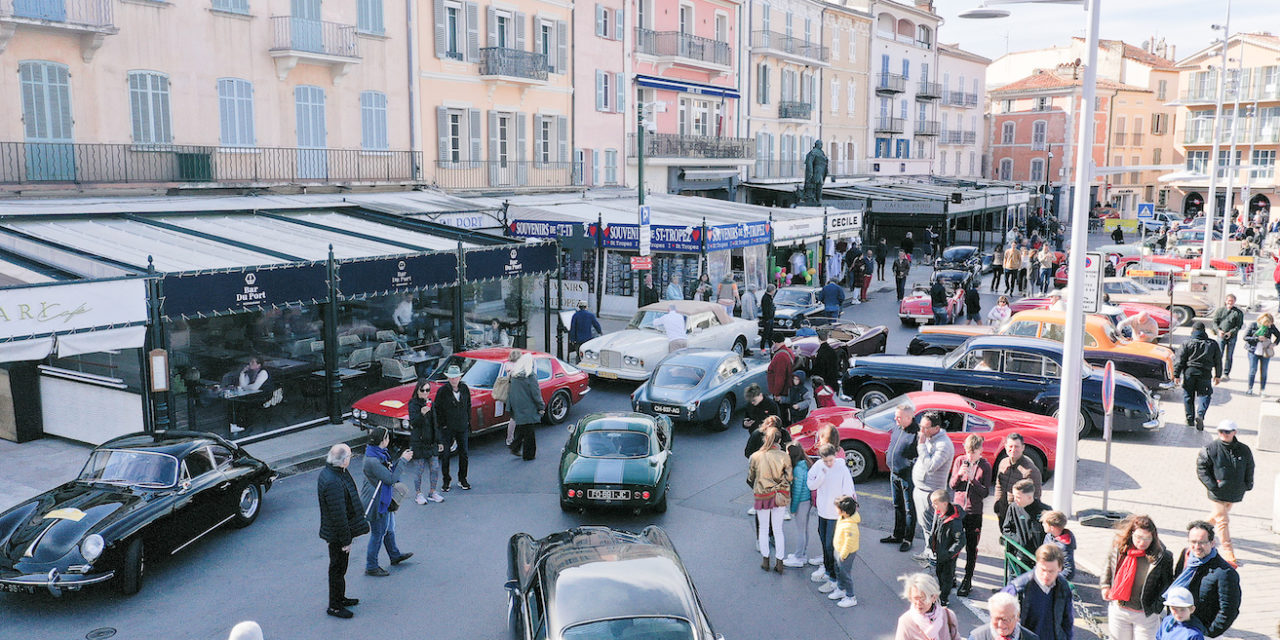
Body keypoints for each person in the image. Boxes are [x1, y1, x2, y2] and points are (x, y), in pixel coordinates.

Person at [1100, 514, 1174, 640]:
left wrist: (1157, 606)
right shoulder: (1119, 546)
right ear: (1132, 533)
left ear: (1153, 537)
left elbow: (1167, 584)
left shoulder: (1163, 556)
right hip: (1119, 609)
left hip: (1145, 614)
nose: (1142, 542)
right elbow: (1109, 565)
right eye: (1139, 537)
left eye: (1147, 538)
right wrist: (1105, 585)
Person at [317, 444, 369, 619]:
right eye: (349, 456)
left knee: (340, 568)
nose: (350, 458)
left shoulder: (333, 472)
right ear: (343, 460)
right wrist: (346, 540)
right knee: (337, 569)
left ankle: (340, 598)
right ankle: (335, 606)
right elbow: (338, 514)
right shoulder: (333, 480)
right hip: (337, 534)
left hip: (337, 531)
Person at [1195, 420, 1255, 566]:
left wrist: (1248, 484)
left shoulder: (1244, 449)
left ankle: (1196, 531)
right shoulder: (1211, 448)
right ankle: (1228, 552)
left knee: (1216, 517)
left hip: (1234, 491)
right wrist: (1212, 486)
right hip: (1217, 492)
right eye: (1220, 431)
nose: (1223, 434)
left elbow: (1250, 467)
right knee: (1223, 520)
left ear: (1234, 432)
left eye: (1227, 432)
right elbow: (1202, 468)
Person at [1170, 521, 1241, 637]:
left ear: (1212, 543)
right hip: (1179, 627)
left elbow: (1229, 610)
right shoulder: (1186, 555)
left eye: (1202, 543)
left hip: (1202, 632)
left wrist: (1209, 633)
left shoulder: (1225, 573)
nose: (1197, 547)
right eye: (1193, 542)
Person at [360, 427, 414, 577]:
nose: (389, 441)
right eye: (387, 438)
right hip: (376, 502)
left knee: (388, 527)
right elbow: (390, 478)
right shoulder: (373, 461)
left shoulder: (377, 454)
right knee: (378, 533)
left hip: (382, 498)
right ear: (382, 441)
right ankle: (371, 565)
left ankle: (394, 555)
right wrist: (403, 461)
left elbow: (388, 472)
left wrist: (400, 460)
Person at [1002, 545, 1075, 640]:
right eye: (1043, 570)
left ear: (1060, 568)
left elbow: (1067, 622)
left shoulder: (1063, 587)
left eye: (1051, 571)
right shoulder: (1017, 589)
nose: (1046, 575)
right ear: (1037, 564)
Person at [949, 434, 991, 597]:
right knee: (955, 543)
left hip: (974, 512)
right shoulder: (960, 461)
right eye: (967, 451)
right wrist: (960, 474)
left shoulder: (985, 466)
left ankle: (968, 579)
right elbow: (953, 485)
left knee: (971, 547)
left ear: (980, 450)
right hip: (959, 510)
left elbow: (984, 492)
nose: (970, 455)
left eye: (973, 452)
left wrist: (973, 479)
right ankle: (951, 574)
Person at [810, 443, 855, 594]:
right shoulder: (818, 466)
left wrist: (845, 510)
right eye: (826, 461)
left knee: (831, 546)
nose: (829, 463)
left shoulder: (841, 467)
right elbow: (811, 485)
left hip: (835, 514)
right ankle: (830, 573)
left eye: (831, 460)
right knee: (824, 542)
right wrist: (821, 476)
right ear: (821, 458)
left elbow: (848, 489)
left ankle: (834, 579)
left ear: (835, 456)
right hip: (823, 511)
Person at [747, 425, 791, 573]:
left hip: (762, 495)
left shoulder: (756, 456)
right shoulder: (784, 456)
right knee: (778, 530)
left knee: (764, 529)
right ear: (779, 440)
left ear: (765, 439)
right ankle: (779, 562)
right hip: (780, 495)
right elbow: (790, 477)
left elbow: (750, 478)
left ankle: (765, 561)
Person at [912, 411, 954, 559]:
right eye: (920, 426)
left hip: (931, 493)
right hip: (921, 489)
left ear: (936, 428)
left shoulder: (943, 445)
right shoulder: (930, 438)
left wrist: (921, 445)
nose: (921, 431)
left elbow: (931, 466)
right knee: (924, 524)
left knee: (931, 526)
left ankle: (934, 555)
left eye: (925, 428)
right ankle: (929, 550)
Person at [882, 400, 920, 552]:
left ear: (909, 417)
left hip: (907, 477)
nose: (895, 419)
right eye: (896, 416)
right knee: (897, 505)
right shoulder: (897, 428)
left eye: (898, 417)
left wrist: (908, 466)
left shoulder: (916, 434)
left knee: (910, 509)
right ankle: (897, 534)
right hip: (894, 474)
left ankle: (907, 539)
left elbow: (920, 458)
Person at [1173, 322, 1222, 431]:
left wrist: (1176, 375)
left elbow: (1179, 360)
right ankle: (1200, 415)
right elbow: (1218, 360)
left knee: (1188, 395)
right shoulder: (1213, 344)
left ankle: (1189, 419)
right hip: (1205, 373)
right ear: (1204, 331)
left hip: (1189, 372)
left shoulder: (1186, 343)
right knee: (1205, 395)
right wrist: (1218, 375)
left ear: (1193, 330)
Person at [433, 365, 472, 491]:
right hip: (447, 428)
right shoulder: (442, 391)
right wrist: (442, 426)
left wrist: (467, 422)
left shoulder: (465, 388)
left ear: (460, 377)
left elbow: (468, 406)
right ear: (448, 378)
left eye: (456, 377)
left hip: (462, 426)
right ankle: (446, 480)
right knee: (445, 455)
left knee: (464, 453)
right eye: (451, 377)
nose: (454, 380)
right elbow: (437, 410)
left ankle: (463, 479)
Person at [927, 489, 966, 607]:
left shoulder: (954, 522)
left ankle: (943, 598)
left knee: (947, 577)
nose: (933, 505)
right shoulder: (941, 514)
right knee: (939, 573)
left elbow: (960, 540)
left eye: (935, 503)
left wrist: (949, 553)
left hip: (948, 556)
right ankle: (941, 593)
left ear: (944, 503)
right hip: (940, 552)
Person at [894, 573, 961, 640]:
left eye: (923, 599)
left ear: (934, 598)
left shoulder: (948, 615)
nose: (918, 603)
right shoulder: (906, 621)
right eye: (915, 598)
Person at [408, 380, 444, 505]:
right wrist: (422, 414)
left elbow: (435, 423)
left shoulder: (431, 404)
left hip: (431, 441)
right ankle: (418, 493)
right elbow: (414, 423)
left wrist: (439, 441)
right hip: (419, 442)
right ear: (417, 391)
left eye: (427, 390)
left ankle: (432, 491)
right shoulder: (413, 404)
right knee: (419, 470)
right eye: (422, 390)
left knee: (435, 467)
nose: (425, 393)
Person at [506, 352, 545, 461]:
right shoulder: (530, 376)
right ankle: (529, 455)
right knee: (529, 433)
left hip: (516, 406)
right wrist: (541, 407)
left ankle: (515, 447)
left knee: (522, 428)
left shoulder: (514, 374)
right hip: (528, 408)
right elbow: (536, 394)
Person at [783, 443, 814, 568]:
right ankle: (802, 554)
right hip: (807, 501)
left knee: (801, 531)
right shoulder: (805, 464)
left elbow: (797, 491)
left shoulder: (797, 469)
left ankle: (798, 557)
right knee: (805, 529)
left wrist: (793, 508)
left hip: (801, 502)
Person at [227, 355, 273, 434]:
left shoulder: (263, 372)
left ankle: (246, 426)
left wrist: (245, 387)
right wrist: (242, 373)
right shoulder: (250, 373)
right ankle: (236, 425)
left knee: (246, 405)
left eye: (252, 362)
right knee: (234, 404)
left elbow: (255, 387)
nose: (250, 364)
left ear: (258, 365)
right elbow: (242, 385)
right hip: (253, 395)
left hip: (264, 396)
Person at [830, 495, 861, 608]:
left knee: (845, 574)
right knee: (838, 570)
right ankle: (841, 588)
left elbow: (848, 543)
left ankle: (850, 596)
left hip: (845, 554)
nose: (835, 509)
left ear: (844, 511)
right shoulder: (843, 518)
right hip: (839, 550)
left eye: (837, 508)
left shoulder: (850, 526)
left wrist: (843, 555)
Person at [970, 592, 1040, 640]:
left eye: (1006, 619)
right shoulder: (977, 637)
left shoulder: (1031, 638)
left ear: (1017, 617)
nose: (1001, 625)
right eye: (997, 619)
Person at [1242, 312, 1280, 395]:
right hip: (1253, 350)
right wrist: (1257, 338)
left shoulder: (1271, 326)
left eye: (1270, 324)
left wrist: (1274, 344)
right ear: (1263, 321)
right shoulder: (1253, 325)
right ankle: (1250, 388)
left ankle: (1262, 389)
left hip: (1265, 351)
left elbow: (1278, 335)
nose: (1269, 325)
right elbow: (1245, 337)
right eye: (1267, 323)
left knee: (1264, 371)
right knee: (1253, 370)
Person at [1208, 295, 1243, 380]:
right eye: (1229, 301)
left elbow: (1239, 325)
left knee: (1229, 356)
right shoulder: (1220, 310)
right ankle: (1217, 373)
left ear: (1234, 302)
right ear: (1226, 301)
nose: (1230, 302)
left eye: (1232, 301)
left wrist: (1231, 332)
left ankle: (1226, 373)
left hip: (1232, 337)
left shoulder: (1238, 312)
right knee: (1219, 355)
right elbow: (1215, 322)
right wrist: (1218, 331)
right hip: (1221, 335)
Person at [1040, 511, 1077, 582]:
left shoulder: (1064, 546)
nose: (1042, 525)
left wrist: (1053, 579)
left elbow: (1069, 570)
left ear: (1052, 528)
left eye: (1044, 523)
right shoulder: (1049, 536)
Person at [767, 339, 796, 421]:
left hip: (782, 391)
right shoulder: (788, 354)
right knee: (785, 412)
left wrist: (776, 394)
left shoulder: (781, 356)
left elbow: (780, 377)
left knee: (781, 414)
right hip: (787, 389)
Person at [759, 284, 777, 351]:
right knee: (765, 334)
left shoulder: (769, 297)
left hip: (770, 318)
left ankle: (771, 346)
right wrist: (767, 319)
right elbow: (765, 309)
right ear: (772, 290)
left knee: (770, 334)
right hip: (768, 319)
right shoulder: (766, 298)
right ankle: (762, 347)